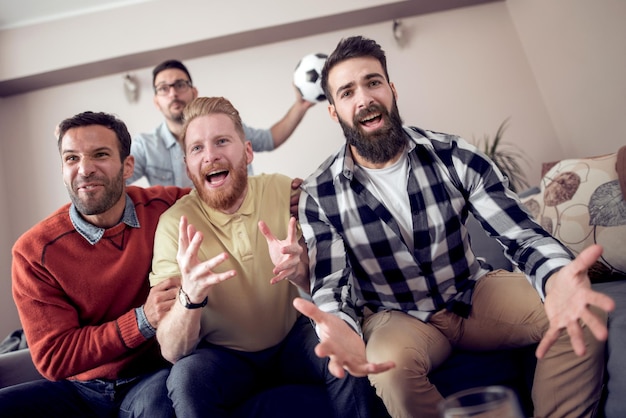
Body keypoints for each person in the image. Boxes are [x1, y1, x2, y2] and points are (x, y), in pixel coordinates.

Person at [293, 35, 615, 418]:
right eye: (347, 92)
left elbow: (520, 233)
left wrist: (557, 275)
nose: (364, 98)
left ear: (392, 90)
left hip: (470, 295)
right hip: (398, 317)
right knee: (389, 367)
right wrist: (339, 325)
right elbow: (332, 284)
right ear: (334, 112)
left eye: (373, 82)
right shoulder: (319, 192)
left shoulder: (453, 154)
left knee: (582, 311)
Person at [149, 96, 381, 418]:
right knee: (186, 379)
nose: (210, 155)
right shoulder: (174, 226)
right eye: (197, 148)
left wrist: (298, 269)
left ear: (247, 151)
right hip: (224, 356)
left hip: (291, 339)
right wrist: (189, 295)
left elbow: (327, 277)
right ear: (188, 166)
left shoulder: (283, 191)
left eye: (221, 141)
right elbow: (173, 350)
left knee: (341, 342)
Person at [0, 111, 188, 417]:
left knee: (159, 408)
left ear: (128, 166)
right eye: (72, 158)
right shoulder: (33, 251)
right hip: (78, 388)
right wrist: (143, 320)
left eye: (100, 155)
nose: (85, 169)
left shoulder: (163, 205)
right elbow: (53, 358)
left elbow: (221, 195)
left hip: (149, 377)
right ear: (63, 168)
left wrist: (285, 194)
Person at [128, 59, 315, 187]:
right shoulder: (145, 146)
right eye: (163, 89)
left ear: (194, 92)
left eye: (180, 85)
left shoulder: (227, 126)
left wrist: (300, 106)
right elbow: (117, 181)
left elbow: (270, 139)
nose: (173, 93)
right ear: (156, 101)